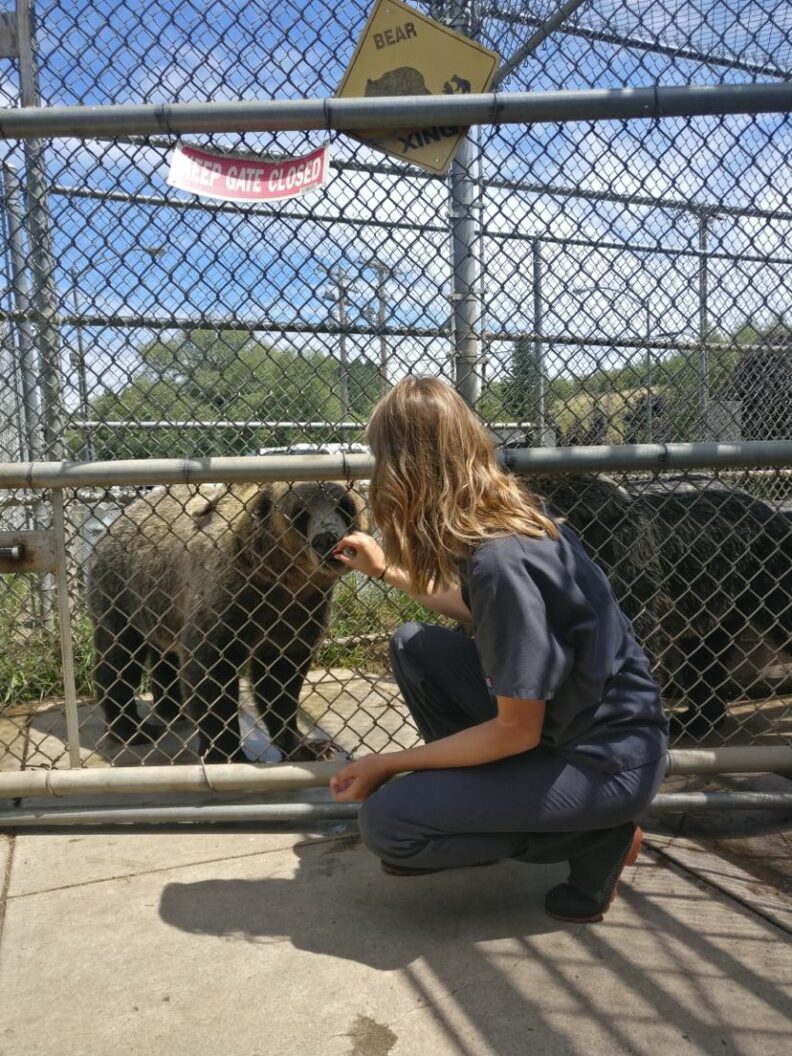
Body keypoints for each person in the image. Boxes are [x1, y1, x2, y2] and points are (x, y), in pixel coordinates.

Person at [330, 377, 669, 923]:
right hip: (583, 729)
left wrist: (387, 763)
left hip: (603, 763)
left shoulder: (499, 561)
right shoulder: (516, 521)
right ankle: (496, 803)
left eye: (380, 460)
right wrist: (385, 570)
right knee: (414, 645)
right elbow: (485, 616)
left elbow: (517, 730)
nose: (376, 476)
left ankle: (596, 838)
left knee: (390, 824)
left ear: (405, 472)